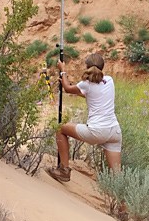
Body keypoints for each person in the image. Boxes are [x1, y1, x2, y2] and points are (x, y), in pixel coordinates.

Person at [47, 53, 122, 182]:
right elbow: (94, 95)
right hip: (114, 131)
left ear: (87, 67)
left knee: (60, 128)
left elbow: (67, 89)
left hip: (97, 131)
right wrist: (74, 87)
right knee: (117, 176)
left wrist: (63, 71)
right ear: (102, 67)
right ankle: (123, 199)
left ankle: (63, 170)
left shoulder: (86, 84)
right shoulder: (109, 80)